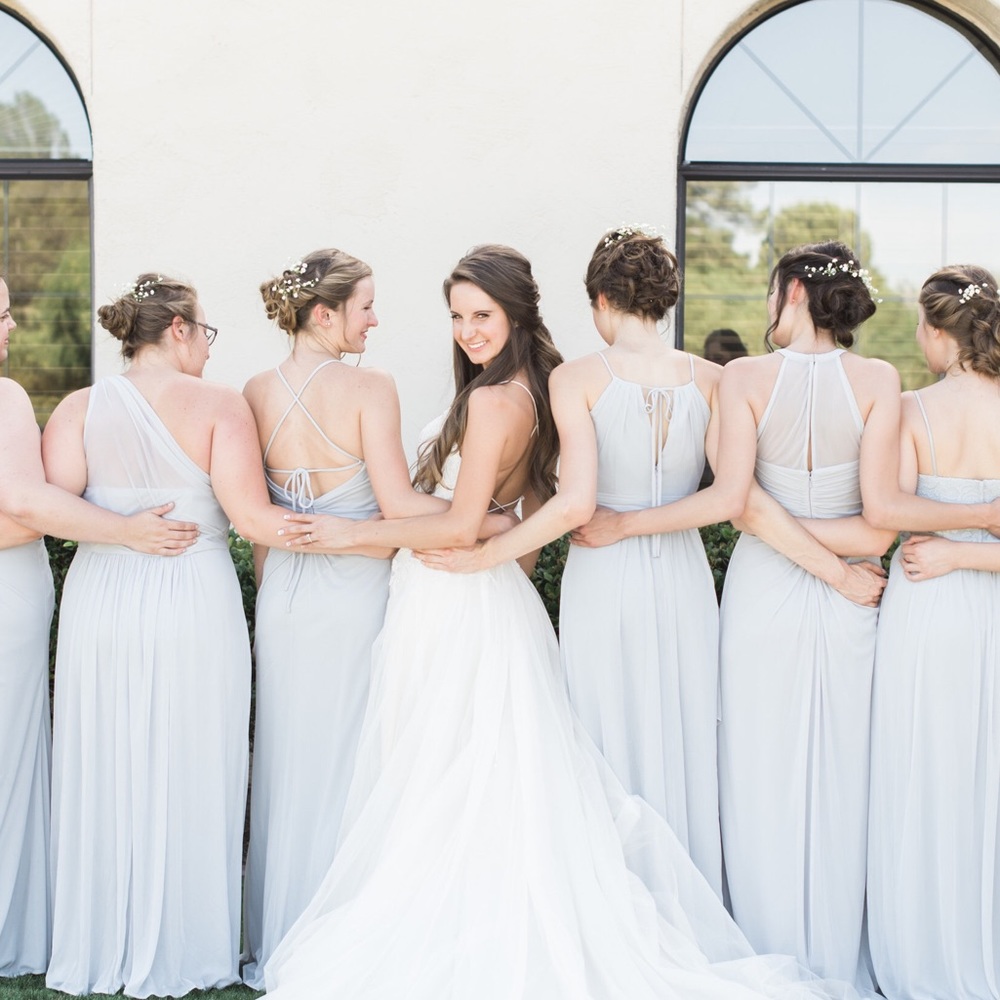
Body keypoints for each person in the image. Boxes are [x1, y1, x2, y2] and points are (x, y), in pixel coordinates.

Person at [263, 244, 862, 1000]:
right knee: (501, 767)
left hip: (475, 587)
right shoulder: (563, 386)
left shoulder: (518, 395)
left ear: (541, 310)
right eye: (457, 317)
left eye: (481, 315)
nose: (466, 331)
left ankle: (478, 925)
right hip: (552, 587)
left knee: (458, 771)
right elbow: (544, 505)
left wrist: (383, 538)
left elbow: (491, 519)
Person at [417, 227, 734, 894]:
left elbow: (574, 504)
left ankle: (615, 891)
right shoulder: (712, 379)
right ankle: (689, 889)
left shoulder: (578, 377)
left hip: (603, 571)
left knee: (599, 730)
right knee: (680, 727)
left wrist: (486, 556)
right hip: (683, 575)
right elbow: (729, 498)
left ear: (601, 301)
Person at [42, 274, 302, 998]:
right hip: (191, 594)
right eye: (206, 333)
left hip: (100, 599)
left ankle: (101, 940)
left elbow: (48, 508)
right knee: (194, 754)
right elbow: (253, 520)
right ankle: (188, 941)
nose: (209, 351)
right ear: (179, 329)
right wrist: (370, 530)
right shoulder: (219, 405)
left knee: (107, 755)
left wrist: (120, 530)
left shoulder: (77, 408)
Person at [243, 249, 488, 987]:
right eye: (366, 307)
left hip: (283, 596)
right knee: (356, 760)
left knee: (288, 760)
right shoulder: (368, 387)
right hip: (354, 591)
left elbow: (260, 530)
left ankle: (280, 930)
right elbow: (397, 504)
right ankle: (338, 933)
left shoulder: (255, 390)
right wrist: (484, 512)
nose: (376, 320)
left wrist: (273, 592)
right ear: (325, 314)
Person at [713, 242, 899, 987]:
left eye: (771, 291)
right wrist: (839, 569)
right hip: (852, 591)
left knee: (758, 766)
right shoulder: (880, 380)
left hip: (765, 584)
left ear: (791, 291)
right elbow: (878, 531)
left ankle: (763, 950)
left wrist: (778, 529)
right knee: (843, 770)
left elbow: (740, 507)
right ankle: (830, 952)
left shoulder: (742, 377)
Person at [0, 276, 197, 979]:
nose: (12, 328)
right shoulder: (7, 396)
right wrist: (124, 530)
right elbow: (28, 507)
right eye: (2, 315)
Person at [866, 265, 1000, 1000]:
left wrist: (953, 548)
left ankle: (920, 949)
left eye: (922, 325)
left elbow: (884, 509)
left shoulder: (913, 409)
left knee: (922, 768)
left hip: (928, 603)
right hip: (983, 604)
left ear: (942, 332)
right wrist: (977, 538)